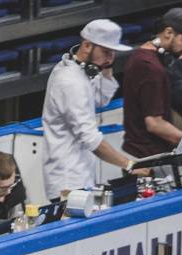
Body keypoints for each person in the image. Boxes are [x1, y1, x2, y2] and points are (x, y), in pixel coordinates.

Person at [41, 19, 134, 201]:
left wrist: (106, 66)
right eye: (106, 52)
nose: (110, 57)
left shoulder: (78, 70)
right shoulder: (70, 81)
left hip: (81, 175)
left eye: (113, 53)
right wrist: (129, 164)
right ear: (86, 45)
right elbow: (90, 138)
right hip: (68, 181)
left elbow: (100, 100)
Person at [119, 9, 182, 161]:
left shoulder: (142, 57)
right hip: (150, 156)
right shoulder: (150, 66)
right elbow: (154, 124)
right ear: (168, 32)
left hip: (146, 152)